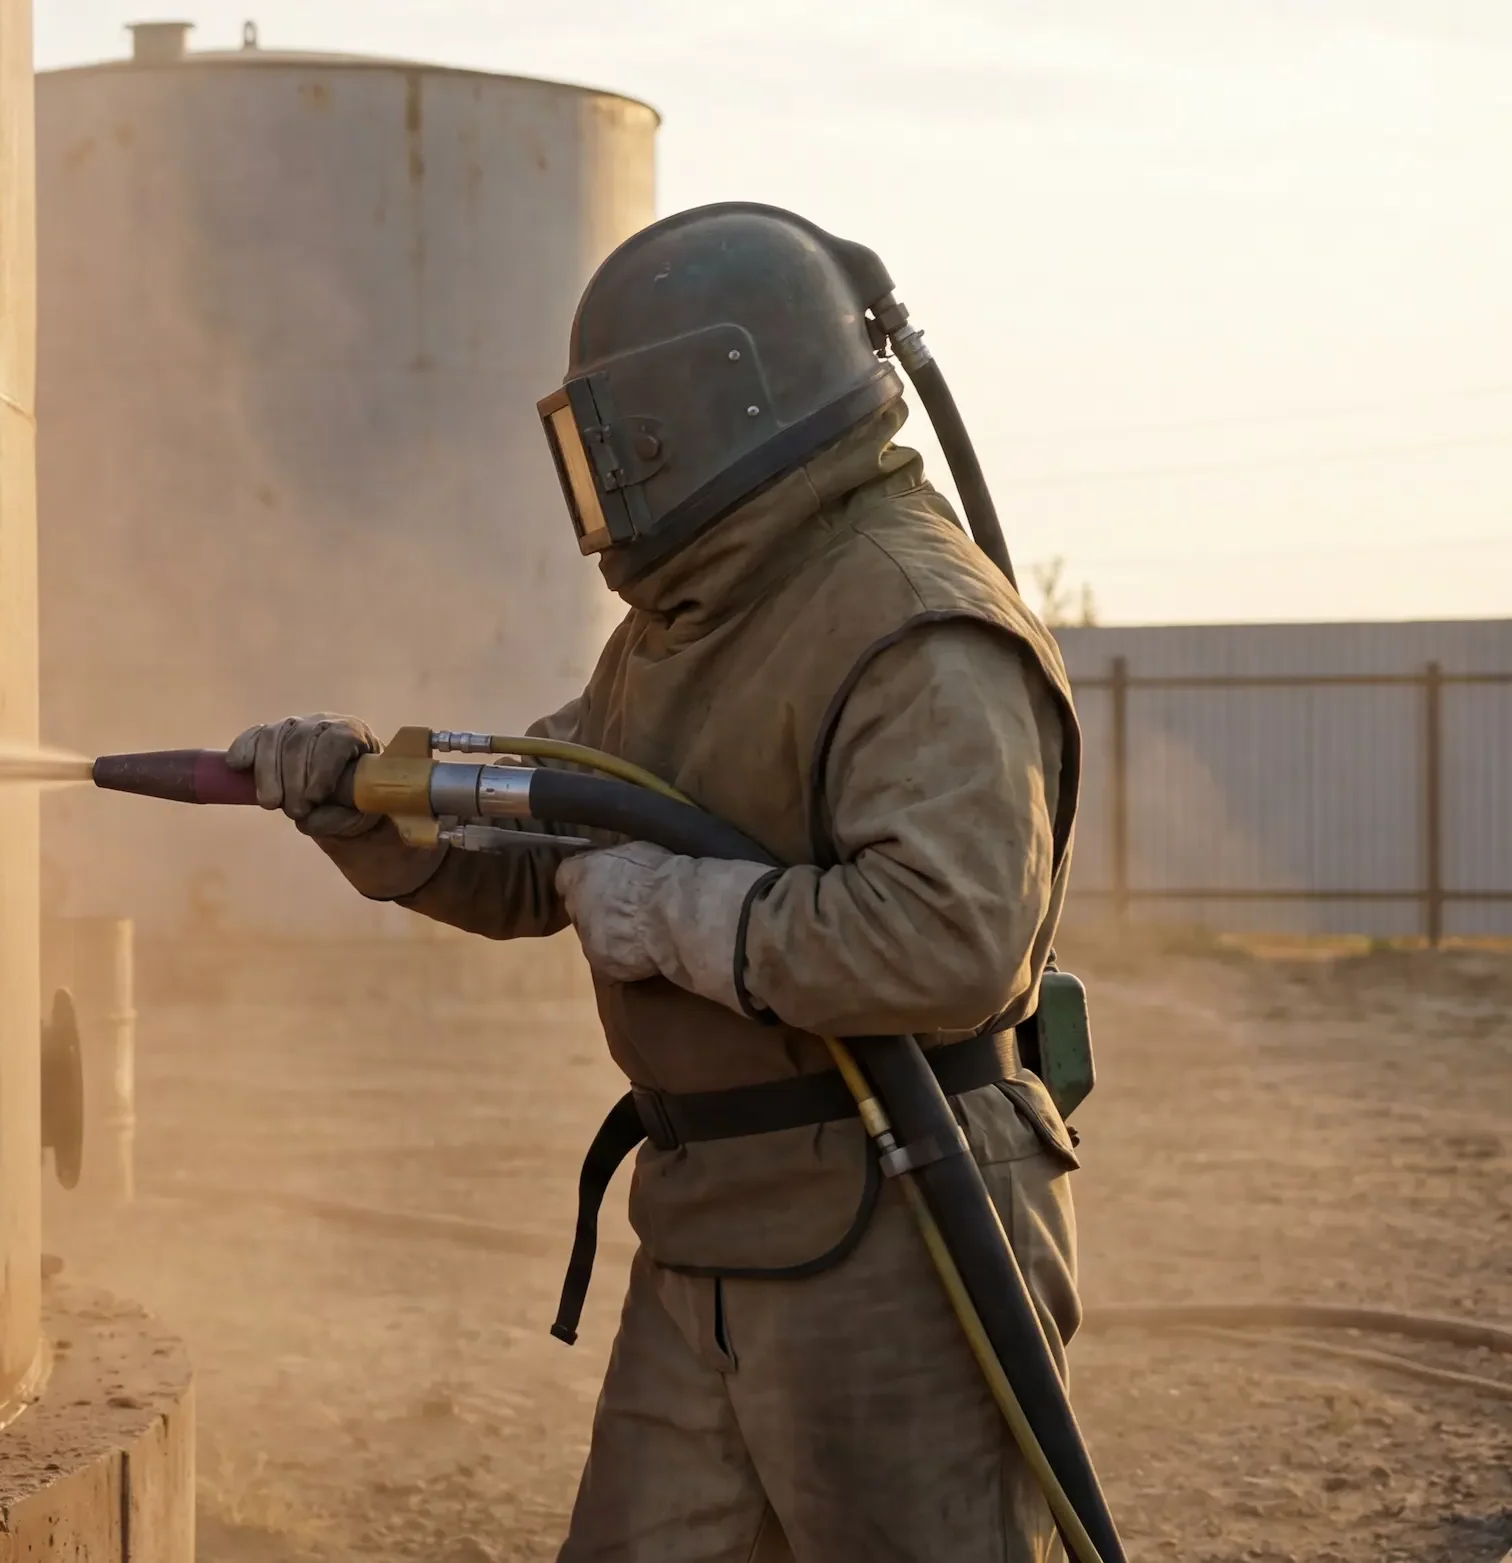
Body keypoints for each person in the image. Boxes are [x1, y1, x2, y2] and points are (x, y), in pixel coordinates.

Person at [226, 203, 1086, 1563]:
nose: (611, 482)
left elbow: (949, 936)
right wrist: (368, 811)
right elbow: (565, 825)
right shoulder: (690, 621)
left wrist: (690, 919)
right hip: (715, 1224)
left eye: (627, 441)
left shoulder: (913, 614)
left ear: (720, 406)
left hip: (899, 1232)